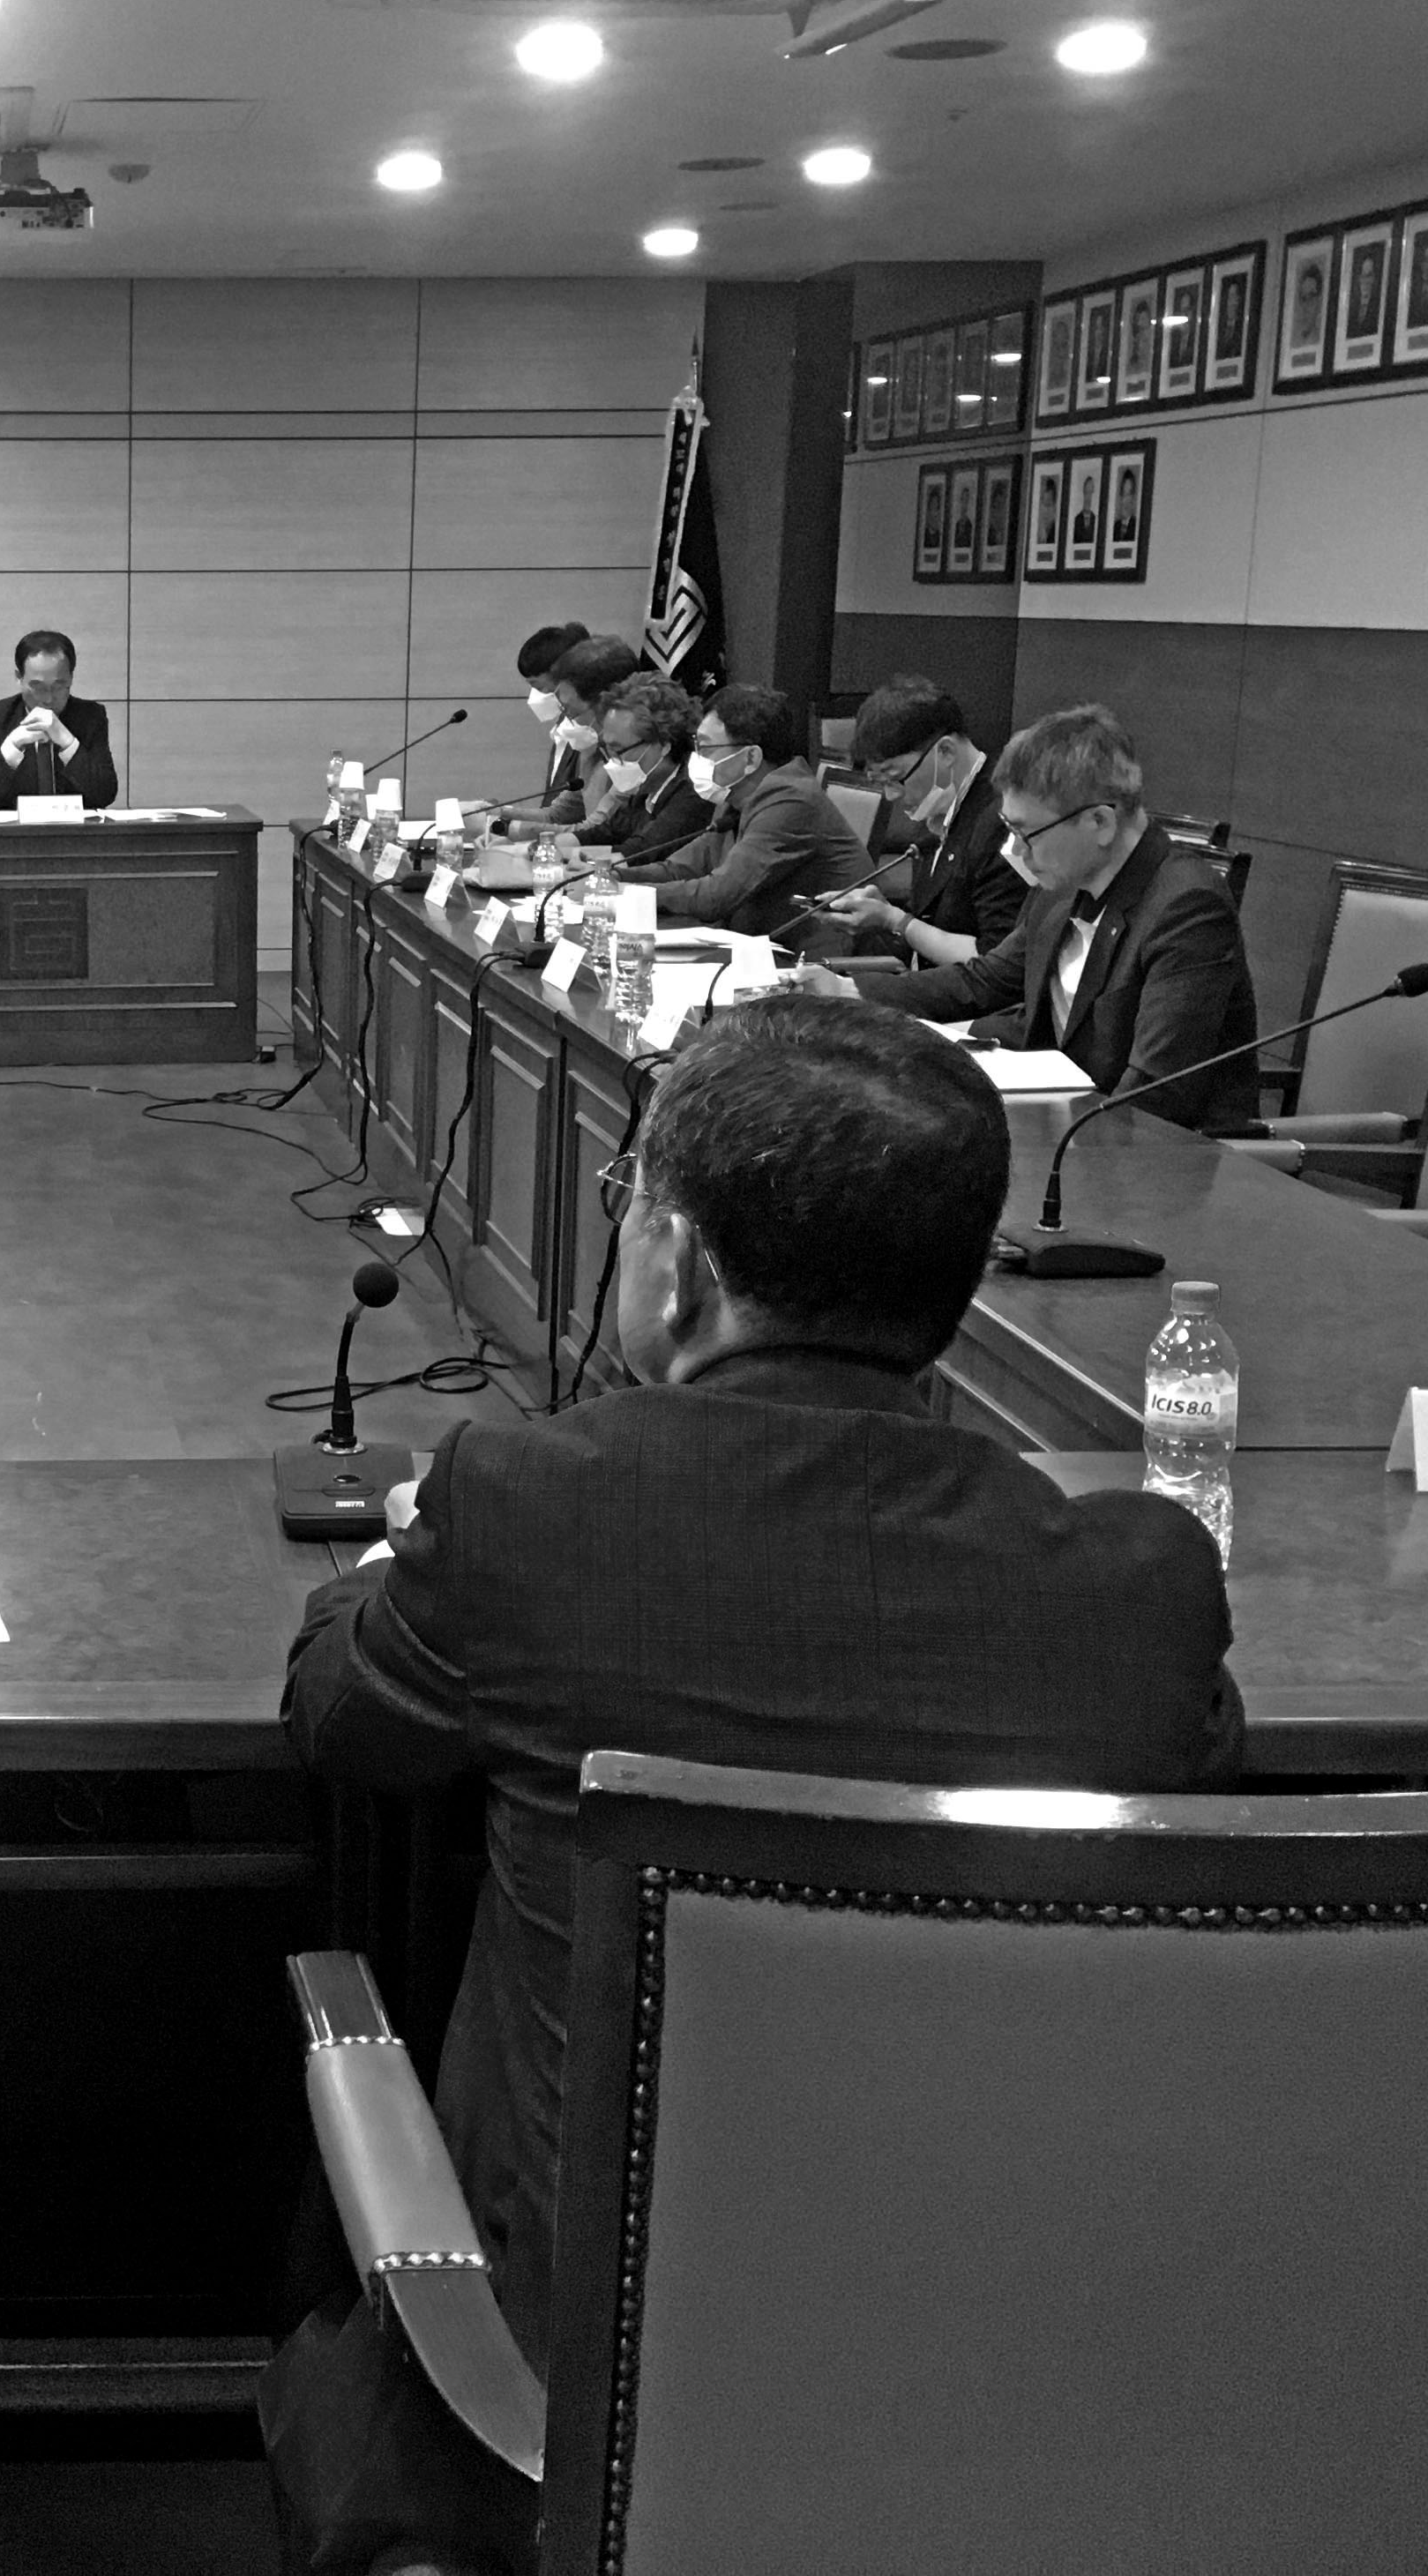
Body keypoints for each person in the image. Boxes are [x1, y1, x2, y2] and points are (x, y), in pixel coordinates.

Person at [267, 995, 1242, 2576]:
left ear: (679, 1265)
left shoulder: (528, 1507)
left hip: (583, 2378)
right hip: (1022, 2358)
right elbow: (1198, 1747)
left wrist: (393, 1559)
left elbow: (340, 1718)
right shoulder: (1139, 1580)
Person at [845, 702, 1262, 1125]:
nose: (1018, 852)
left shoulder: (1187, 909)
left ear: (1100, 823)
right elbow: (985, 980)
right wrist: (849, 991)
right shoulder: (1062, 886)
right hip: (1063, 1121)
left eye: (1026, 833)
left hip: (1158, 1148)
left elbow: (1155, 1093)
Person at [608, 683, 873, 937]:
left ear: (751, 757)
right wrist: (615, 875)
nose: (695, 757)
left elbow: (716, 896)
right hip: (762, 946)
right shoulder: (735, 797)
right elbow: (680, 868)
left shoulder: (791, 800)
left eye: (705, 748)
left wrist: (627, 893)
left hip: (818, 958)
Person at [815, 674, 1023, 968]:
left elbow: (998, 961)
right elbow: (928, 930)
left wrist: (897, 921)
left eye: (895, 778)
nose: (890, 796)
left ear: (946, 752)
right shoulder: (937, 813)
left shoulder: (1004, 819)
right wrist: (882, 915)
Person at [550, 652, 703, 859]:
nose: (612, 760)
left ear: (664, 745)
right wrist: (542, 847)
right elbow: (604, 833)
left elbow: (640, 852)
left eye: (619, 750)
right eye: (607, 749)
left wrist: (569, 855)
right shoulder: (646, 787)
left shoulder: (692, 792)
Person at [0, 629, 118, 811]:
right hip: (15, 828)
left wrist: (69, 743)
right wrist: (12, 748)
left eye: (59, 686)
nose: (48, 698)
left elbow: (105, 794)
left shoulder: (91, 717)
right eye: (38, 687)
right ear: (19, 678)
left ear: (71, 678)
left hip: (74, 828)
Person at [512, 621, 590, 811]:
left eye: (538, 686)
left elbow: (574, 814)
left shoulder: (588, 735)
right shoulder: (564, 726)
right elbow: (553, 806)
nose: (535, 695)